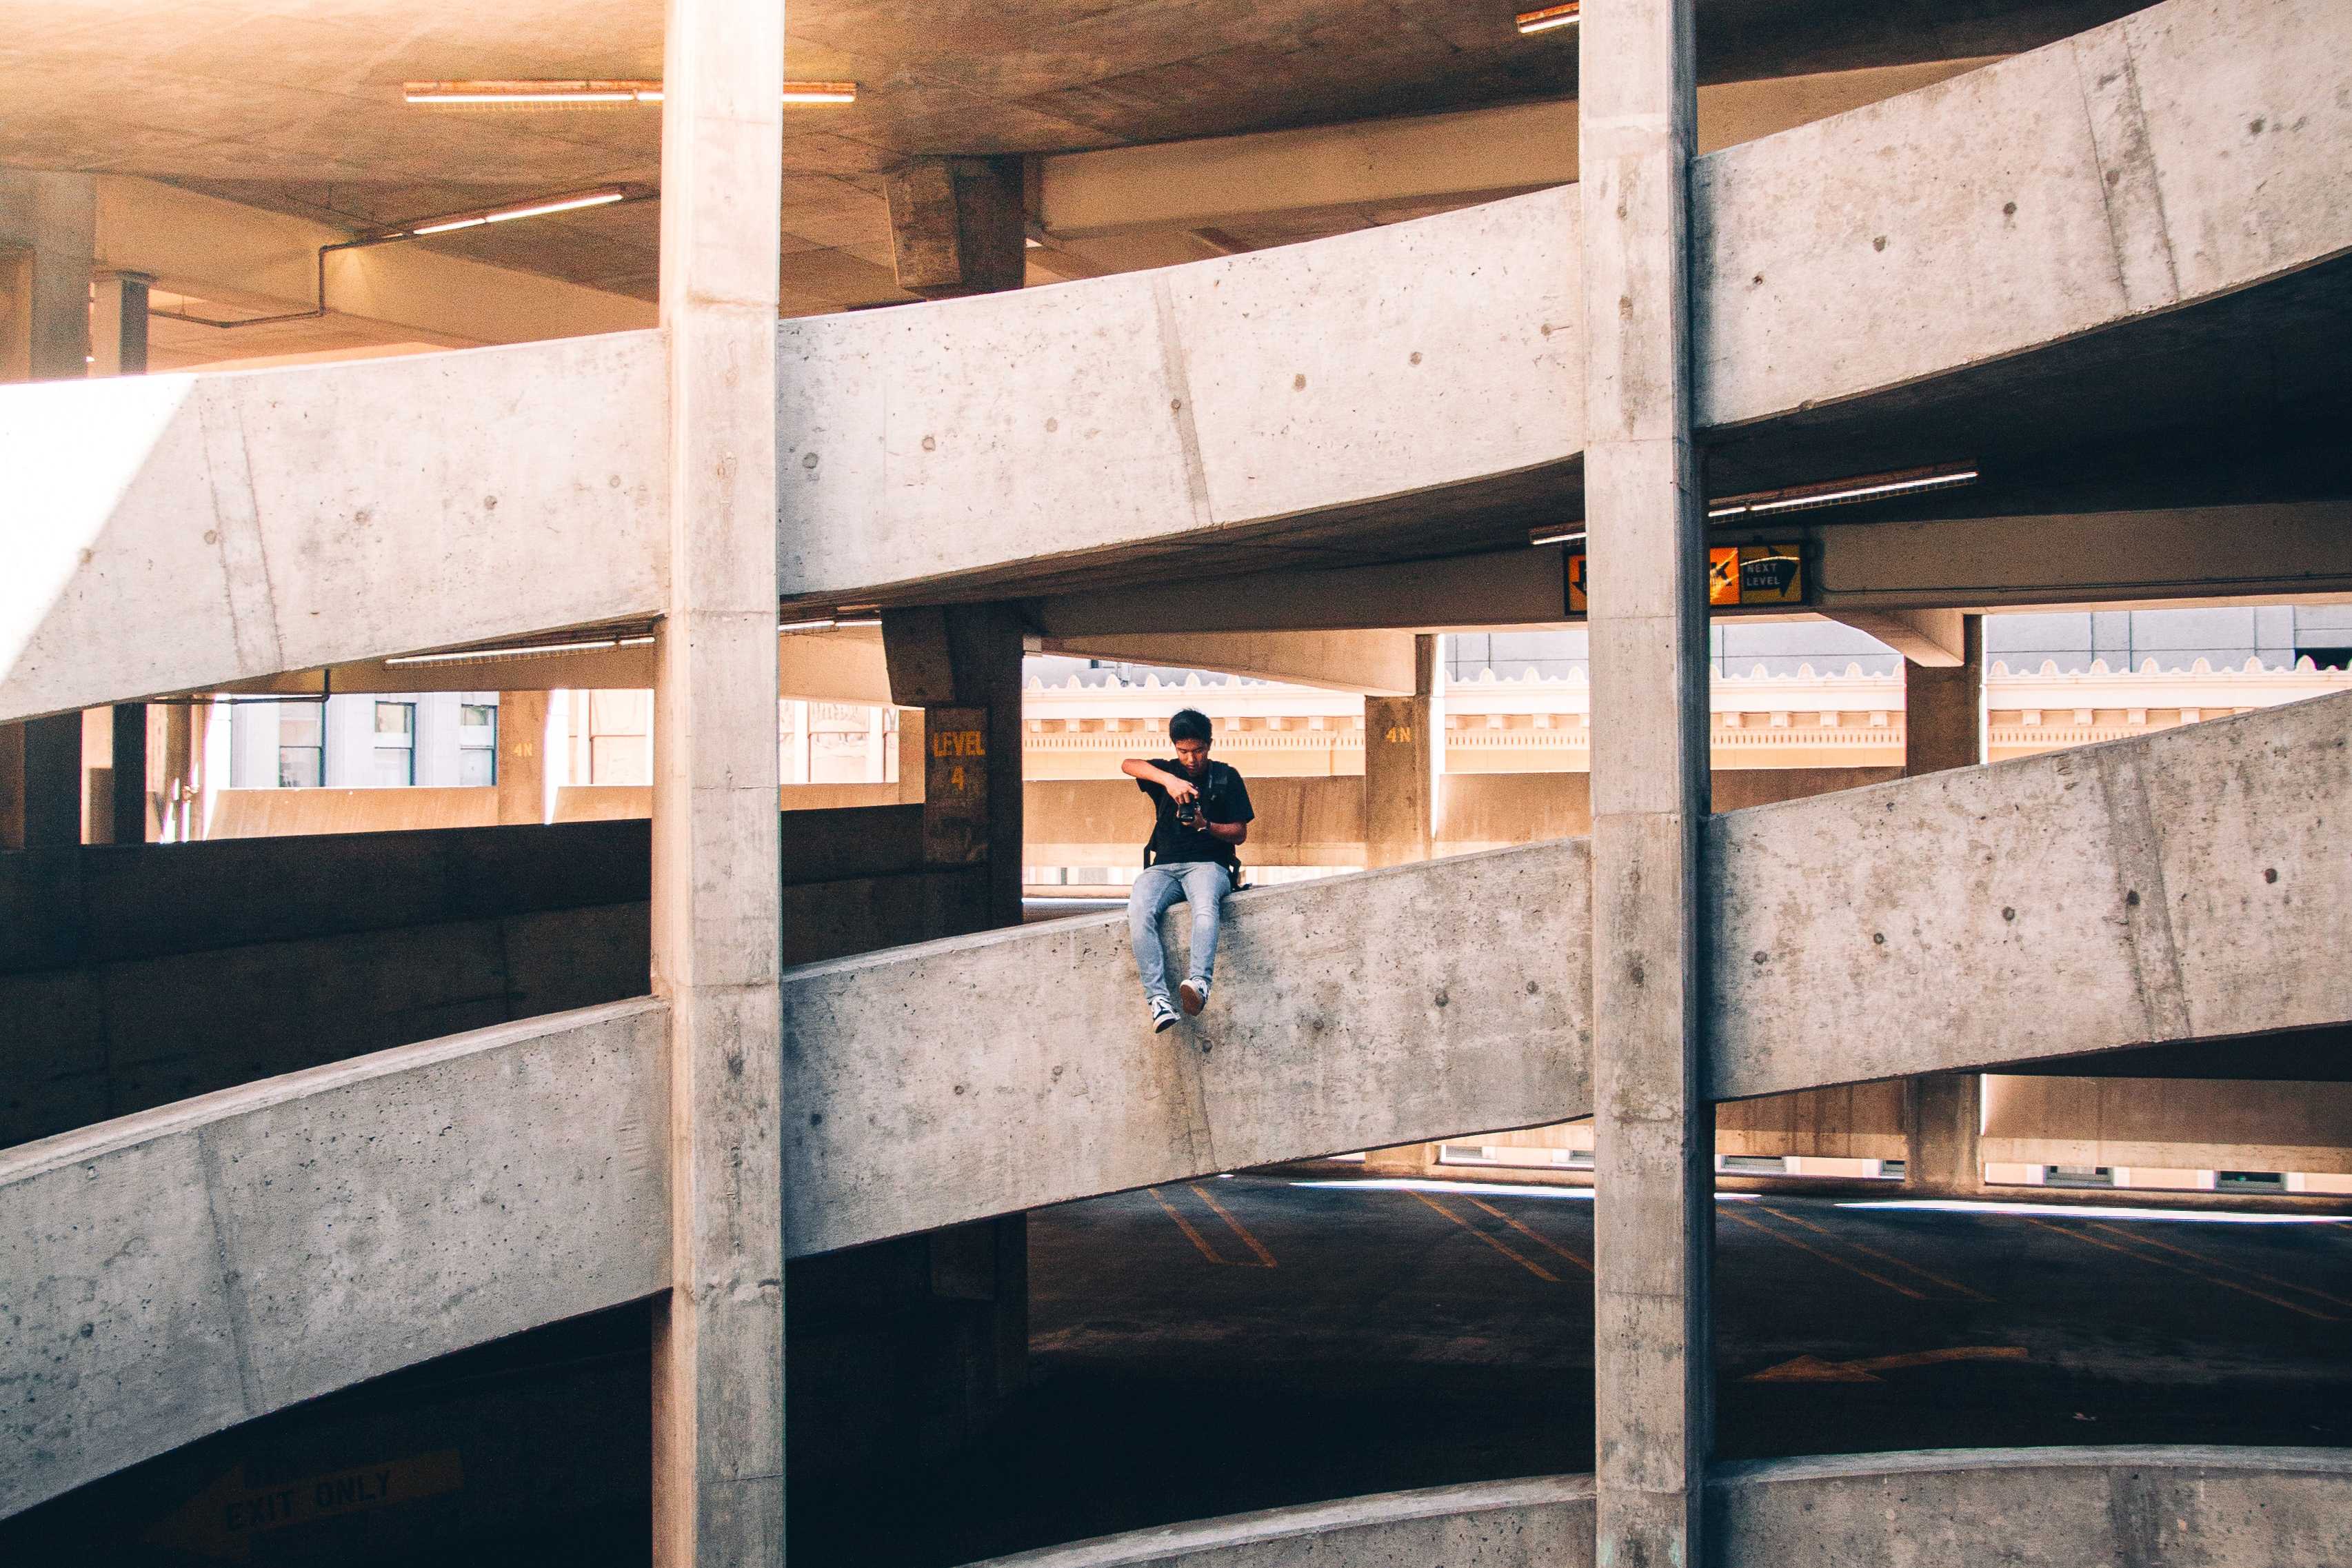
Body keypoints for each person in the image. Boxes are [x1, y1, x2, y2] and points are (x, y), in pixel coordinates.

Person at [1121, 707, 1254, 1032]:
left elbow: (1239, 832)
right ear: (1175, 747)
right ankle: (1159, 1001)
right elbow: (1128, 765)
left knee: (1205, 909)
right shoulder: (1167, 773)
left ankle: (1199, 984)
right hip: (1164, 867)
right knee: (1139, 911)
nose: (1191, 759)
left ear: (1209, 745)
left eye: (1198, 751)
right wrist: (1169, 781)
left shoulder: (1226, 777)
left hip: (1209, 864)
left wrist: (1204, 825)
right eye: (1183, 751)